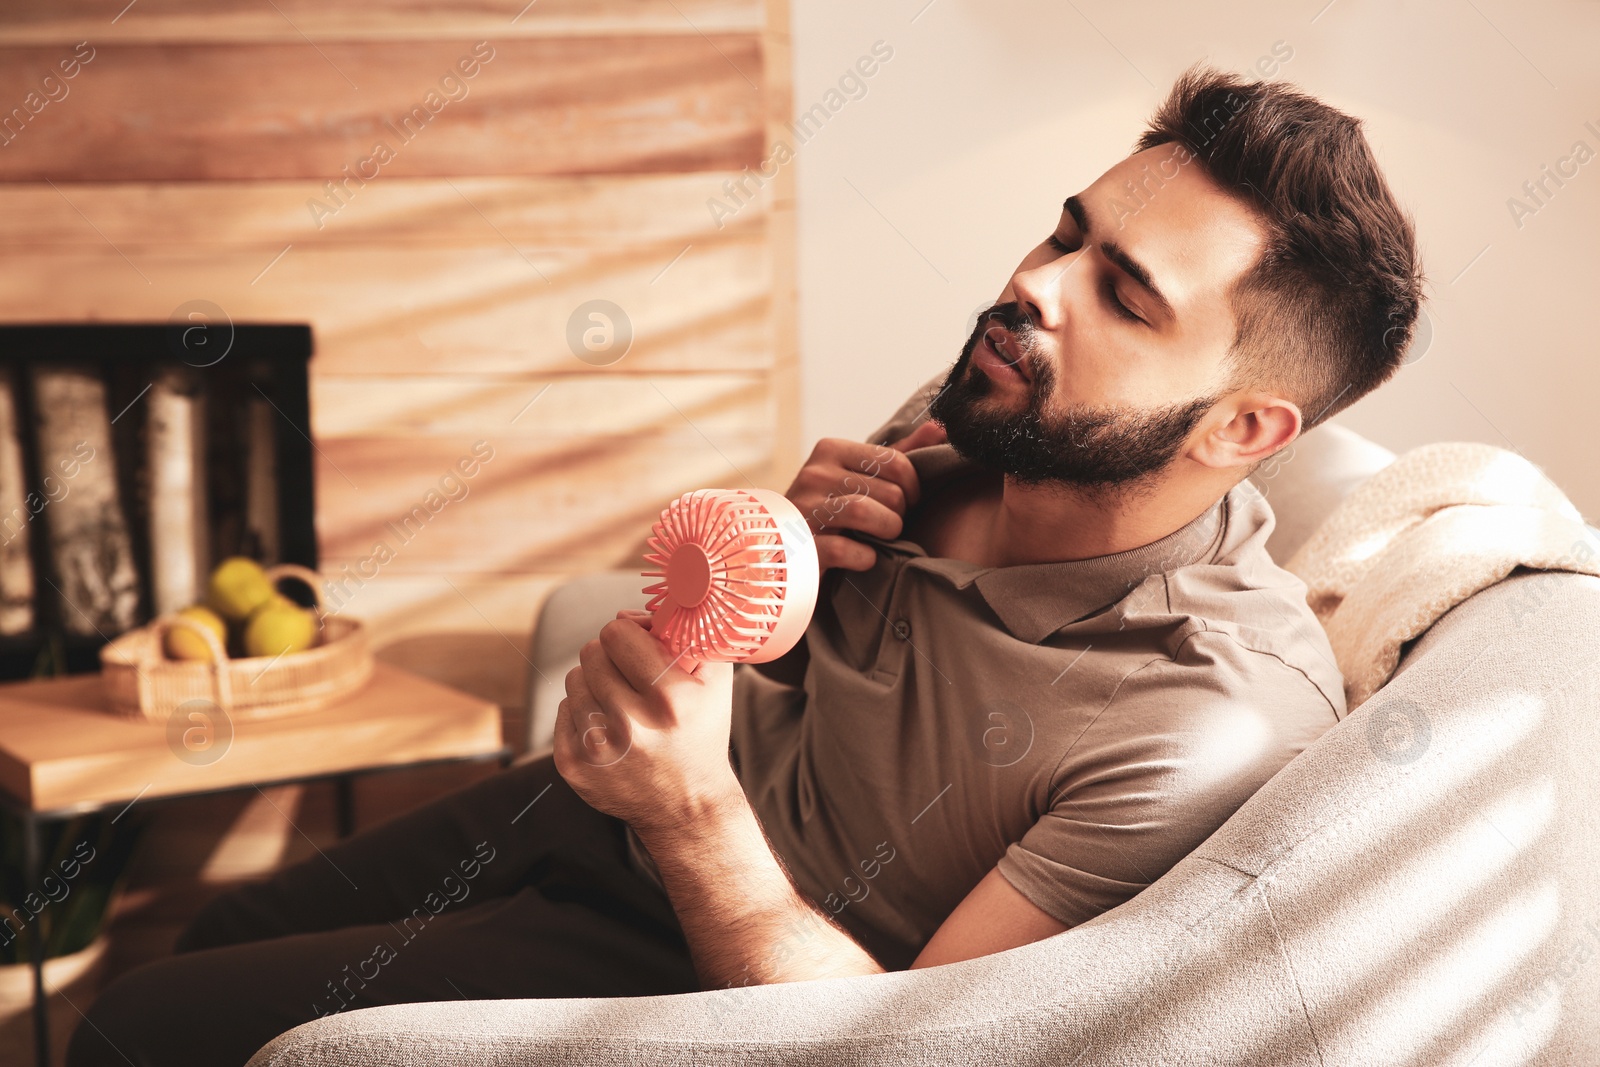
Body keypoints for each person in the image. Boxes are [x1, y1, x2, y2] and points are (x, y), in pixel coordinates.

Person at [68, 64, 1422, 1066]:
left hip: (701, 954)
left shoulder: (1199, 726)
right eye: (1067, 233)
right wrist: (777, 555)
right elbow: (812, 667)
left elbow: (914, 1046)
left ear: (1245, 428)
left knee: (136, 1032)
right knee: (198, 940)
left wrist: (690, 811)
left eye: (1125, 295)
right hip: (591, 814)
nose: (1037, 288)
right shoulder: (988, 420)